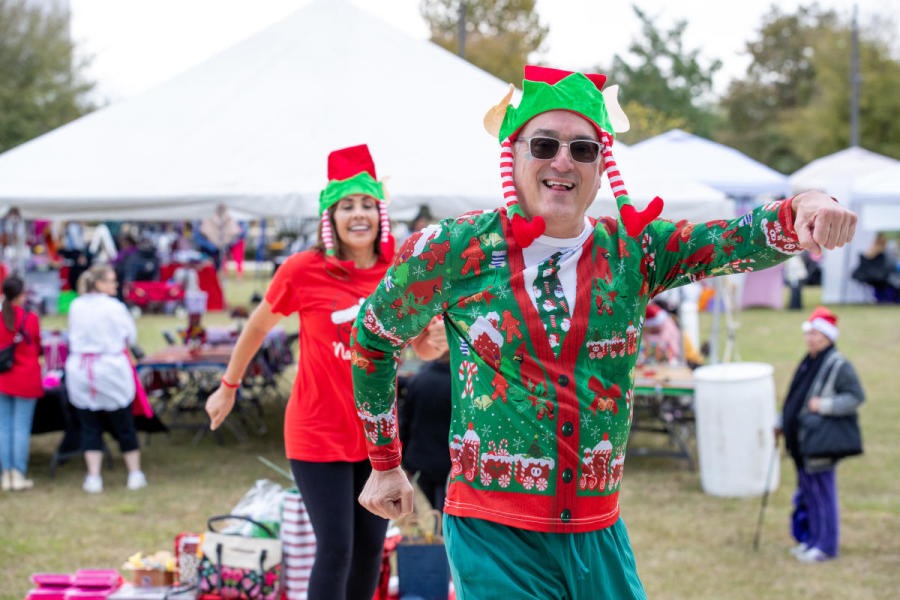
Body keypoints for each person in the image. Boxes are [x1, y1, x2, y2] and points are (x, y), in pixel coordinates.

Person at [350, 65, 858, 598]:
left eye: (583, 149)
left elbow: (733, 239)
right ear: (514, 153)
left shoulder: (634, 252)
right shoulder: (452, 250)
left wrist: (805, 205)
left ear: (601, 163)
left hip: (598, 531)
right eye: (544, 145)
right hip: (492, 530)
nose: (563, 161)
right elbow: (374, 337)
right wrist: (385, 463)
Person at [205, 144, 447, 600]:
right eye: (346, 206)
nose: (358, 215)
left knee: (371, 551)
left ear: (380, 214)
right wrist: (227, 386)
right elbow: (258, 327)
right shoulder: (303, 270)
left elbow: (419, 346)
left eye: (366, 205)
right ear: (329, 218)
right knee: (336, 548)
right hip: (316, 432)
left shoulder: (397, 275)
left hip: (376, 434)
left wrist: (432, 344)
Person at [775, 307, 864, 563]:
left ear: (828, 336)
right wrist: (782, 421)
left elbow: (855, 397)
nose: (810, 338)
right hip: (801, 443)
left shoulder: (838, 364)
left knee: (822, 494)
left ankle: (826, 545)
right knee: (807, 493)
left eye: (815, 334)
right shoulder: (809, 360)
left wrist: (824, 405)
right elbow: (795, 396)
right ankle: (810, 539)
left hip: (820, 442)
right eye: (809, 333)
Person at [65, 265, 147, 493]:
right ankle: (134, 473)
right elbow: (131, 336)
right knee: (123, 423)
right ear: (98, 283)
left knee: (90, 424)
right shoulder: (114, 307)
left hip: (82, 369)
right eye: (111, 280)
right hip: (109, 368)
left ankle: (94, 477)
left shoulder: (76, 305)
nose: (115, 284)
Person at [0, 275, 43, 491]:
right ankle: (17, 473)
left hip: (3, 379)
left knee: (4, 426)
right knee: (20, 427)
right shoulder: (30, 318)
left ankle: (6, 474)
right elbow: (37, 344)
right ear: (20, 294)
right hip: (25, 378)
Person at [399, 351, 452, 511]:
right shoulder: (460, 383)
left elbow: (405, 420)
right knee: (445, 509)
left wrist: (405, 459)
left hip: (420, 459)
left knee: (436, 508)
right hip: (450, 460)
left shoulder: (418, 379)